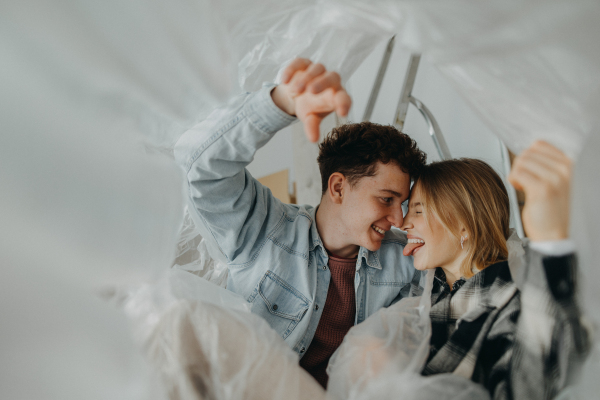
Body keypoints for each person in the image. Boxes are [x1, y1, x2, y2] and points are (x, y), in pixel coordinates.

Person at [174, 58, 426, 387]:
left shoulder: (404, 260)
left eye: (403, 204)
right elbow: (199, 168)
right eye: (386, 199)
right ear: (338, 187)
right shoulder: (265, 230)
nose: (398, 219)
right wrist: (280, 104)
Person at [327, 143, 590, 399]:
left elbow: (528, 388)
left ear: (464, 225)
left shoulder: (510, 301)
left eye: (417, 210)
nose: (403, 223)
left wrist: (550, 241)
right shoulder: (431, 299)